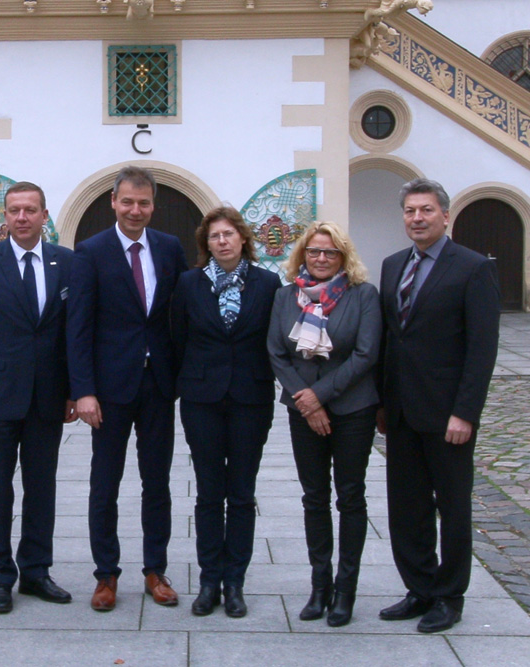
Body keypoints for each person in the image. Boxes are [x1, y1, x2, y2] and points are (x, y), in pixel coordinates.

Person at [377, 178, 500, 633]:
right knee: (407, 506)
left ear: (445, 216)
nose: (417, 218)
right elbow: (390, 339)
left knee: (452, 506)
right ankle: (420, 588)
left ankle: (450, 596)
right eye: (410, 211)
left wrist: (465, 412)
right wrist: (382, 403)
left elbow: (482, 348)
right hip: (401, 411)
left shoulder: (472, 268)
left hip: (448, 414)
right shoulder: (393, 265)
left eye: (426, 210)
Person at [67, 165, 188, 611]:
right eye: (128, 202)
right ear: (113, 203)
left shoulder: (169, 248)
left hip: (158, 385)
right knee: (106, 484)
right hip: (109, 389)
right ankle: (106, 574)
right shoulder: (90, 251)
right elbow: (78, 326)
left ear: (153, 206)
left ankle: (156, 570)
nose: (135, 210)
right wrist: (84, 390)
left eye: (143, 203)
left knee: (157, 482)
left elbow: (179, 313)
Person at [0, 181, 76, 614]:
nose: (21, 217)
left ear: (45, 215)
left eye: (30, 210)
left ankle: (37, 571)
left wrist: (72, 391)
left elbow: (72, 333)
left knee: (41, 488)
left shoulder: (66, 263)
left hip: (47, 399)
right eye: (14, 210)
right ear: (4, 217)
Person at [268, 221, 381, 627]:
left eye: (330, 252)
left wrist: (320, 396)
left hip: (352, 410)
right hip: (303, 411)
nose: (320, 258)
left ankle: (345, 590)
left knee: (350, 496)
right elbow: (277, 352)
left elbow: (366, 354)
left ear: (343, 257)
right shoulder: (286, 296)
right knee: (314, 497)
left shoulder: (363, 295)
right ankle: (320, 586)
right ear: (303, 254)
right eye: (314, 251)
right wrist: (306, 400)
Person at [173, 206, 281, 618]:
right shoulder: (189, 283)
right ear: (206, 243)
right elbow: (177, 337)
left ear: (243, 239)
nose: (222, 241)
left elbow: (274, 340)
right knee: (207, 493)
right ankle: (208, 581)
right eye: (214, 236)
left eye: (228, 234)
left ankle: (234, 581)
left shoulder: (267, 284)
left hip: (250, 400)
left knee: (240, 493)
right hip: (202, 400)